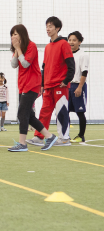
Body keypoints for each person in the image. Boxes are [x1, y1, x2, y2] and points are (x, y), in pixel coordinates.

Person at [26, 17, 74, 147]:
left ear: (57, 28)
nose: (48, 29)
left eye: (51, 26)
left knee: (62, 112)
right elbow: (44, 67)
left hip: (60, 85)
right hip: (48, 86)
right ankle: (39, 137)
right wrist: (42, 84)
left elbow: (71, 64)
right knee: (44, 112)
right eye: (47, 26)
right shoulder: (47, 47)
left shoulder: (64, 44)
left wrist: (66, 80)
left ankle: (64, 138)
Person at [9, 24, 57, 152]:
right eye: (12, 34)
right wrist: (16, 50)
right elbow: (14, 65)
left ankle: (22, 143)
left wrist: (18, 49)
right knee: (29, 115)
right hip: (22, 85)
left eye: (15, 34)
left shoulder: (31, 46)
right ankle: (49, 136)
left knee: (22, 113)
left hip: (32, 84)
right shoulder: (18, 48)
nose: (13, 36)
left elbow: (25, 64)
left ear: (22, 34)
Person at [67, 31, 89, 143]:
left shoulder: (83, 54)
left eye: (74, 40)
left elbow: (84, 72)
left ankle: (81, 135)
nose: (71, 42)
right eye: (69, 40)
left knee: (80, 112)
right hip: (67, 86)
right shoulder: (66, 54)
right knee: (64, 111)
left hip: (77, 85)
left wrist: (80, 87)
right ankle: (65, 135)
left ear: (79, 42)